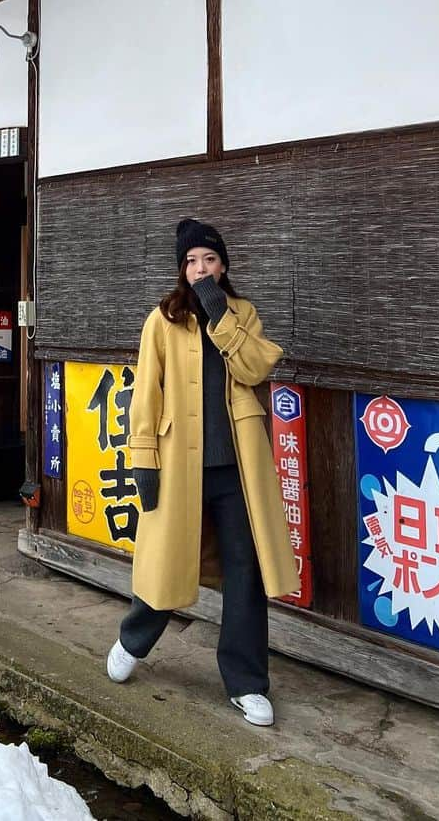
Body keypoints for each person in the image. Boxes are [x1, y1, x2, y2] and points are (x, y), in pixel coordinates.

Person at [105, 217, 298, 727]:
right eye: (191, 261)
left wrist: (219, 314)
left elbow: (257, 368)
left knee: (245, 571)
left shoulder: (242, 314)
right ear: (180, 269)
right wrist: (142, 458)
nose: (199, 268)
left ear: (223, 264)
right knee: (168, 563)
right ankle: (133, 639)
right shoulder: (162, 320)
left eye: (208, 259)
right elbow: (144, 393)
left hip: (237, 469)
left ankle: (247, 682)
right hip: (178, 463)